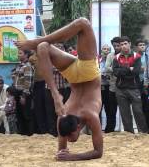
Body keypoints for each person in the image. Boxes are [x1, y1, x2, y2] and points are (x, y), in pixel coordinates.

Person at [15, 18, 103, 161]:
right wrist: (64, 155)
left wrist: (72, 156)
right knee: (43, 46)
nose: (67, 139)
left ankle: (38, 41)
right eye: (66, 136)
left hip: (84, 74)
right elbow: (63, 153)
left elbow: (98, 152)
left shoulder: (77, 115)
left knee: (82, 23)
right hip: (82, 74)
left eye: (68, 136)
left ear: (77, 128)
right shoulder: (67, 118)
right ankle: (55, 93)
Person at [113, 36, 148, 134]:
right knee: (125, 113)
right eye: (121, 45)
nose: (123, 46)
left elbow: (136, 72)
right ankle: (129, 133)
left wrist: (123, 70)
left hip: (134, 88)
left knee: (138, 111)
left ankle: (143, 132)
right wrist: (129, 68)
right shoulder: (116, 57)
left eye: (125, 44)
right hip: (120, 89)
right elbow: (115, 72)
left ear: (129, 44)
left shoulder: (137, 56)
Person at [12, 49, 34, 135]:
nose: (18, 55)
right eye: (18, 53)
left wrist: (24, 96)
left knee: (26, 115)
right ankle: (22, 134)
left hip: (24, 94)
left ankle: (29, 134)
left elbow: (27, 82)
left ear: (26, 55)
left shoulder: (27, 66)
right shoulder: (19, 66)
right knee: (19, 115)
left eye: (20, 53)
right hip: (18, 93)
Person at [104, 37, 121, 133]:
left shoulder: (125, 55)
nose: (116, 47)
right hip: (112, 86)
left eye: (118, 45)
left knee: (124, 109)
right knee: (111, 110)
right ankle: (110, 129)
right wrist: (118, 70)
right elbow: (106, 68)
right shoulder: (110, 55)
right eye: (114, 45)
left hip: (124, 86)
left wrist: (115, 69)